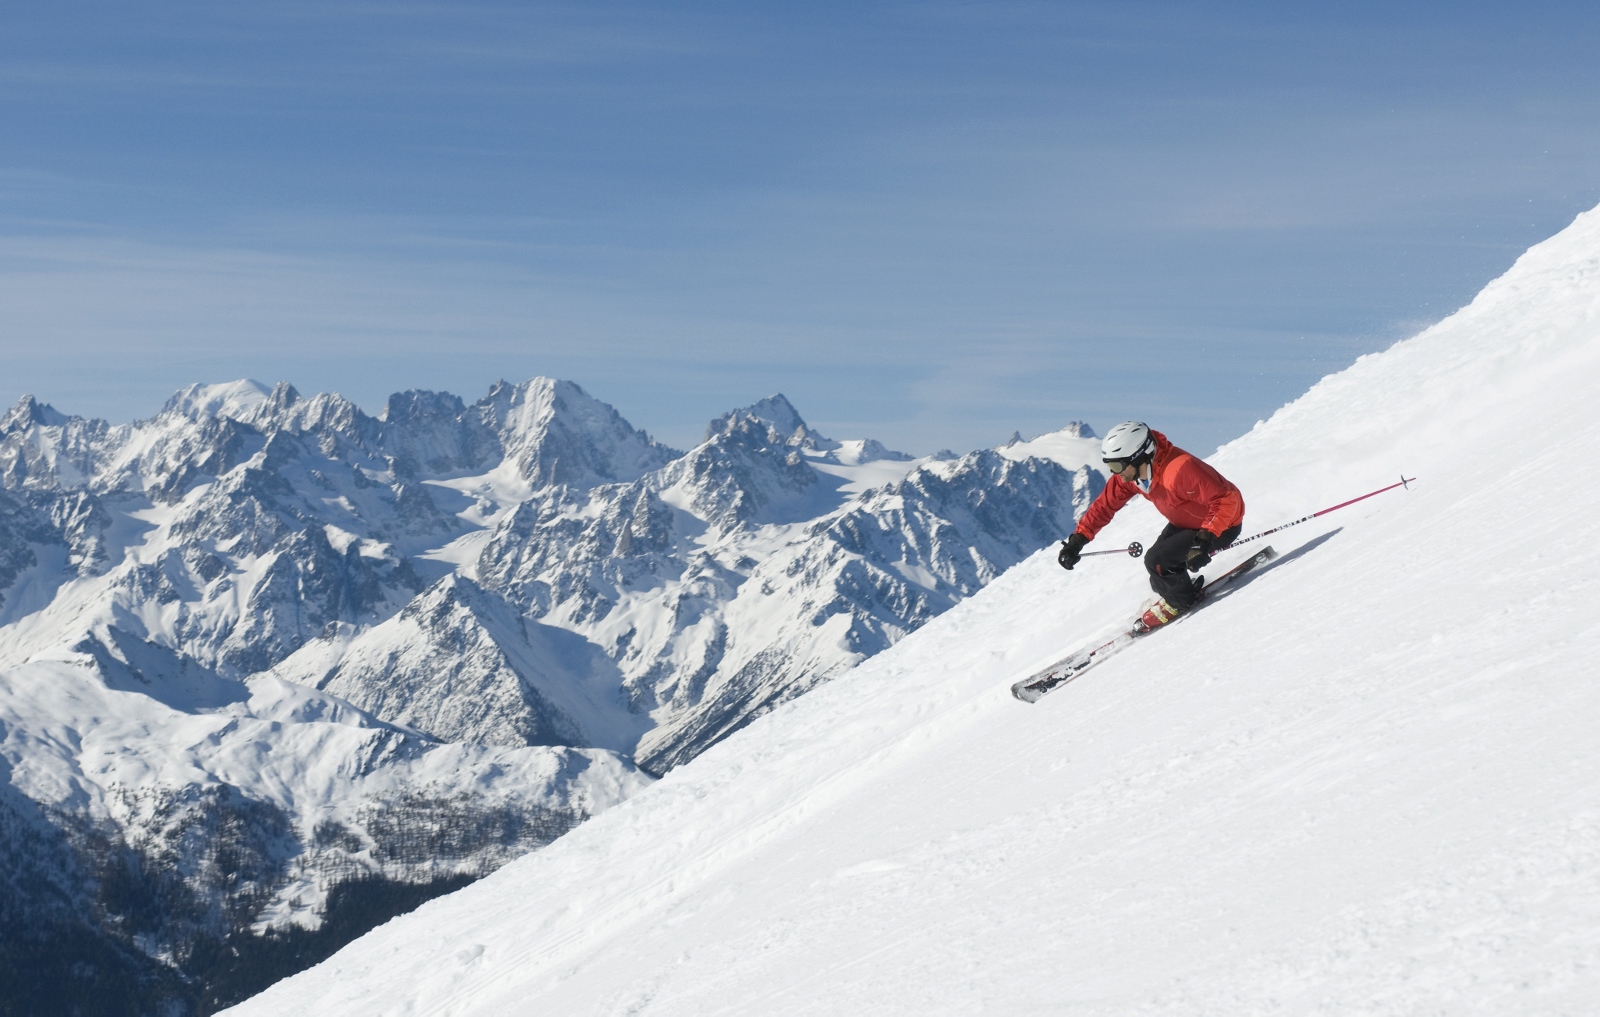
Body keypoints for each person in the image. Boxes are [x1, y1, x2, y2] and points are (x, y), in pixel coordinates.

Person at [1057, 421, 1245, 630]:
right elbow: (1104, 507)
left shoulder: (1180, 470)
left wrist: (1205, 539)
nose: (1115, 472)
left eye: (1117, 465)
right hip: (1187, 523)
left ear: (1139, 456)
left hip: (1221, 526)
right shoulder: (1131, 476)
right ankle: (1175, 592)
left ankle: (1180, 602)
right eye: (1110, 466)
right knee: (1158, 571)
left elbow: (1229, 499)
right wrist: (1077, 541)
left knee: (1158, 562)